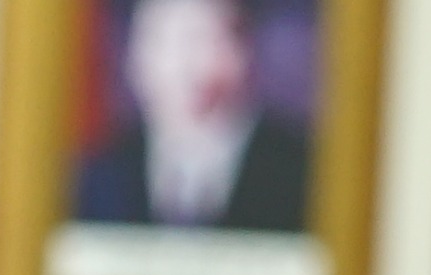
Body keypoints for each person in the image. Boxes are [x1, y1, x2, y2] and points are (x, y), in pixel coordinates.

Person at [72, 0, 312, 232]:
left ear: (245, 49)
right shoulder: (102, 173)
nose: (185, 65)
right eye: (165, 40)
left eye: (206, 39)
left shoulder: (300, 172)